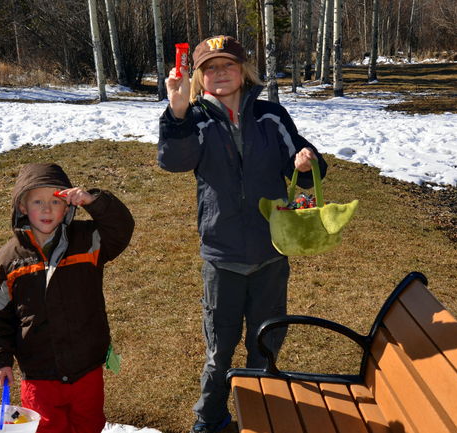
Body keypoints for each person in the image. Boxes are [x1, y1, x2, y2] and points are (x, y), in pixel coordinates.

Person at [158, 35, 328, 433]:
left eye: (228, 65)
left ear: (243, 70)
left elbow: (304, 171)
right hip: (222, 255)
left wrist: (307, 163)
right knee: (219, 350)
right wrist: (177, 110)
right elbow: (174, 162)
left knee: (265, 344)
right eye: (210, 68)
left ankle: (257, 415)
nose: (220, 73)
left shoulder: (271, 115)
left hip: (271, 252)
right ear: (199, 75)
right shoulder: (195, 117)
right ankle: (209, 420)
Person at [0, 163, 134, 433]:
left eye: (55, 200)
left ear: (69, 207)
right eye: (38, 201)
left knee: (89, 423)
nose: (47, 209)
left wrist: (93, 201)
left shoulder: (88, 240)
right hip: (39, 372)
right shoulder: (7, 261)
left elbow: (120, 228)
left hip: (86, 365)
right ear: (23, 207)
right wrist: (1, 359)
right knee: (46, 428)